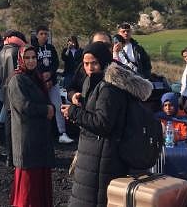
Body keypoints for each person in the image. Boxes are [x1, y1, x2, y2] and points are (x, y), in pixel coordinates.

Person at [62, 42, 152, 206]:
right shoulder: (98, 82)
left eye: (94, 63)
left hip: (102, 158)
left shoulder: (108, 88)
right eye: (86, 63)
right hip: (96, 155)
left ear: (103, 61)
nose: (90, 68)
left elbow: (103, 123)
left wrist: (74, 112)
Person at [8, 45, 55, 207]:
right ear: (21, 59)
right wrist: (46, 110)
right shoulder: (17, 80)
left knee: (39, 180)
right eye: (27, 58)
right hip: (27, 137)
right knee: (28, 185)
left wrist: (51, 108)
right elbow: (23, 106)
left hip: (39, 137)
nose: (31, 61)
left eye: (34, 57)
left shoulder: (36, 76)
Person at [34, 25, 73, 144]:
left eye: (46, 34)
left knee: (57, 105)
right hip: (38, 84)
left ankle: (62, 133)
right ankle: (39, 133)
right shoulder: (33, 49)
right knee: (39, 107)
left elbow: (55, 62)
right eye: (42, 34)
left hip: (53, 82)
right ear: (37, 35)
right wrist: (42, 77)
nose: (44, 36)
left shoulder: (51, 48)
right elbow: (32, 65)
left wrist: (50, 75)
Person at [0, 30, 27, 166]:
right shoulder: (17, 52)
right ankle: (16, 156)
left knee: (8, 124)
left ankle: (9, 156)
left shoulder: (2, 51)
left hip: (5, 90)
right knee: (18, 126)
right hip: (17, 91)